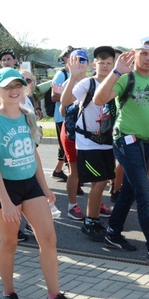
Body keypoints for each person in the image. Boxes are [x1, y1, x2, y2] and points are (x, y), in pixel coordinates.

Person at [0, 67, 81, 299]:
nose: (14, 90)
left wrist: (46, 188)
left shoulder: (27, 116)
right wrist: (5, 202)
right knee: (10, 242)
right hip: (5, 188)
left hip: (30, 185)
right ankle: (8, 293)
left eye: (18, 85)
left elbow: (33, 154)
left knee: (48, 239)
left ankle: (54, 295)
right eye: (8, 87)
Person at [93, 36, 149, 266]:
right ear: (135, 54)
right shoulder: (126, 78)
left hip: (145, 143)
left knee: (130, 192)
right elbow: (98, 99)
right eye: (144, 53)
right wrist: (116, 72)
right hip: (126, 141)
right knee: (145, 194)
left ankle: (112, 233)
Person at [60, 46, 115, 242]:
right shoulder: (88, 83)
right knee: (99, 182)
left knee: (103, 181)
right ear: (95, 64)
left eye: (109, 63)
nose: (105, 66)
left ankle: (95, 217)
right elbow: (65, 102)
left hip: (107, 143)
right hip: (87, 143)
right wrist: (73, 77)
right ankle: (90, 222)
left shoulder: (117, 83)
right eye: (102, 63)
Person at [58, 49, 89, 221]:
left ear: (89, 63)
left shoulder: (93, 81)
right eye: (75, 60)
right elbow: (63, 109)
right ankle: (72, 206)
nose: (79, 63)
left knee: (97, 171)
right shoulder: (68, 83)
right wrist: (73, 77)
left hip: (90, 134)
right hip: (71, 133)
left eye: (82, 60)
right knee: (74, 171)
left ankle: (96, 203)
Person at [49, 46, 74, 182]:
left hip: (73, 116)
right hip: (62, 117)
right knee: (66, 146)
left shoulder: (76, 73)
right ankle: (74, 179)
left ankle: (58, 170)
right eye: (71, 56)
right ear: (65, 58)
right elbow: (53, 96)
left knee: (66, 146)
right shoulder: (61, 74)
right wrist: (72, 98)